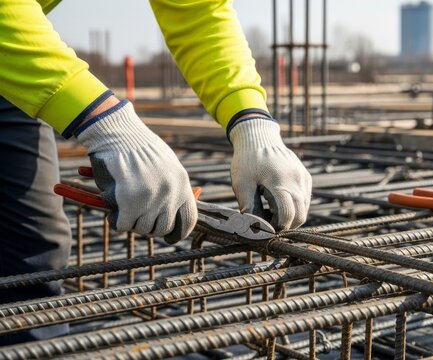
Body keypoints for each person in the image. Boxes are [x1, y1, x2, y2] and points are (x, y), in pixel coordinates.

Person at [0, 0, 312, 344]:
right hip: (15, 52)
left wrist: (251, 121)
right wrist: (102, 120)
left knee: (31, 252)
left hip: (13, 65)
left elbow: (198, 11)